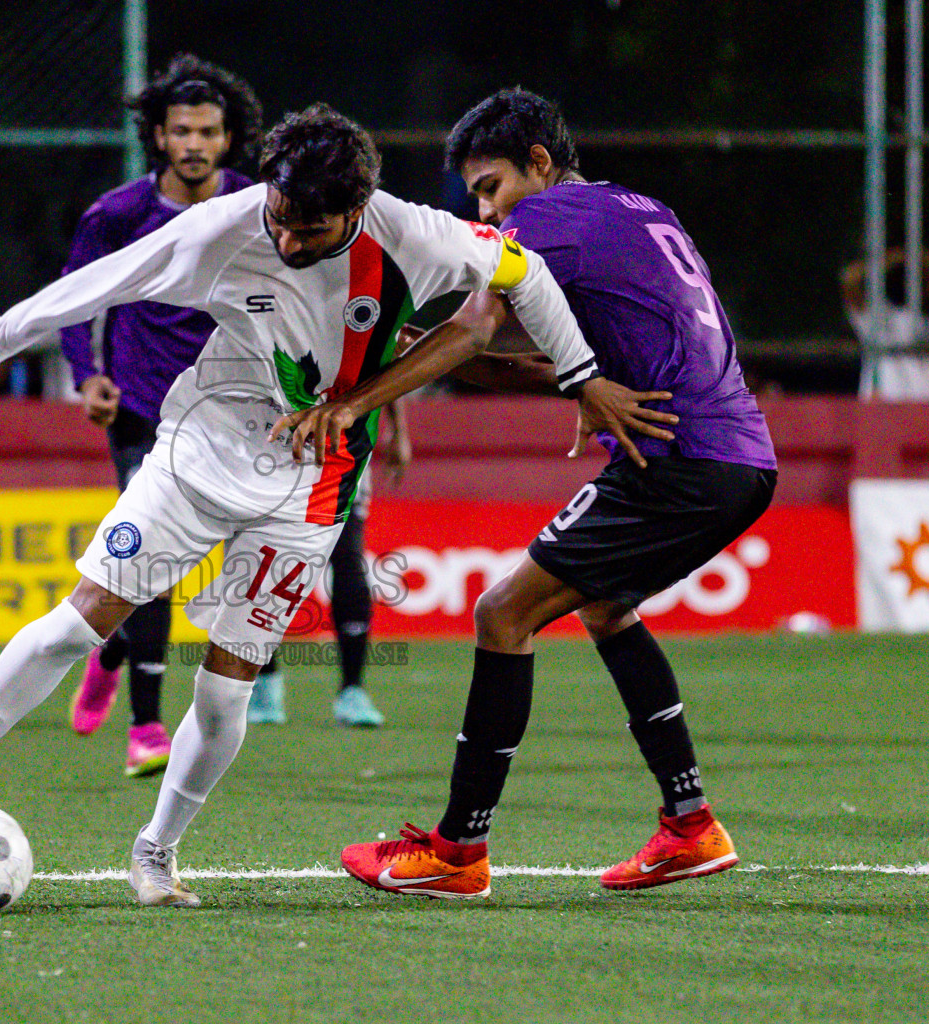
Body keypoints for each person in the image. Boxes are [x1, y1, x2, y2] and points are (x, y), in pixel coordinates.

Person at [0, 103, 663, 908]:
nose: (286, 238)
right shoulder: (224, 226)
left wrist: (581, 376)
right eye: (279, 216)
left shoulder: (418, 234)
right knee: (81, 616)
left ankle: (157, 853)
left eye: (309, 230)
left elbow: (529, 275)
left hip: (312, 484)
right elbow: (105, 280)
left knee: (226, 685)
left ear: (356, 210)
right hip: (201, 450)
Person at [278, 88, 776, 897]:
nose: (485, 210)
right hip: (739, 455)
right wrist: (582, 385)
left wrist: (358, 396)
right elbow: (516, 351)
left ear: (538, 165)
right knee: (605, 607)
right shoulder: (641, 209)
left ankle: (456, 850)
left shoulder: (540, 226)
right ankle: (689, 825)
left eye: (490, 186)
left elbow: (474, 335)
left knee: (503, 613)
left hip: (677, 458)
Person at [58, 54, 262, 778]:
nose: (196, 144)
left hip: (229, 411)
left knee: (188, 562)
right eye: (182, 131)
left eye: (209, 131)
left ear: (230, 136)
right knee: (152, 558)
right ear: (158, 136)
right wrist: (88, 377)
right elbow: (74, 300)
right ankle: (147, 726)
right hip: (142, 409)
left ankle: (111, 651)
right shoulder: (117, 214)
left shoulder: (255, 206)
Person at [246, 401, 408, 728]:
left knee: (348, 559)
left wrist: (399, 431)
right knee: (264, 565)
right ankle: (266, 685)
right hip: (276, 449)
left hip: (342, 450)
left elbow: (389, 359)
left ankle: (352, 690)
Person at [840, 247, 929, 401]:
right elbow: (850, 280)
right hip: (886, 416)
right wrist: (898, 259)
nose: (922, 285)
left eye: (926, 279)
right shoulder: (883, 316)